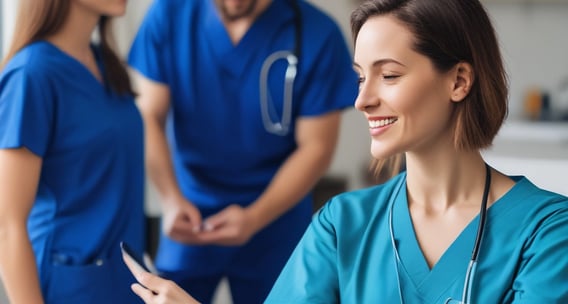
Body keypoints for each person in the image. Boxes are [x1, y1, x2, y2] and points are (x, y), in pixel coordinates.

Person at [124, 0, 568, 303]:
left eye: (389, 76)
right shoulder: (342, 224)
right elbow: (149, 114)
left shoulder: (547, 231)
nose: (361, 100)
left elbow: (314, 147)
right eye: (360, 77)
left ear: (458, 81)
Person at [127, 0, 358, 303]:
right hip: (190, 212)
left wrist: (254, 218)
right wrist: (170, 200)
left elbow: (316, 147)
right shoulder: (171, 14)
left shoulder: (317, 34)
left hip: (277, 218)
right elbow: (149, 115)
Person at [0, 0, 145, 303]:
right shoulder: (32, 74)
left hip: (125, 280)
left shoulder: (104, 63)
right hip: (69, 286)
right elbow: (6, 225)